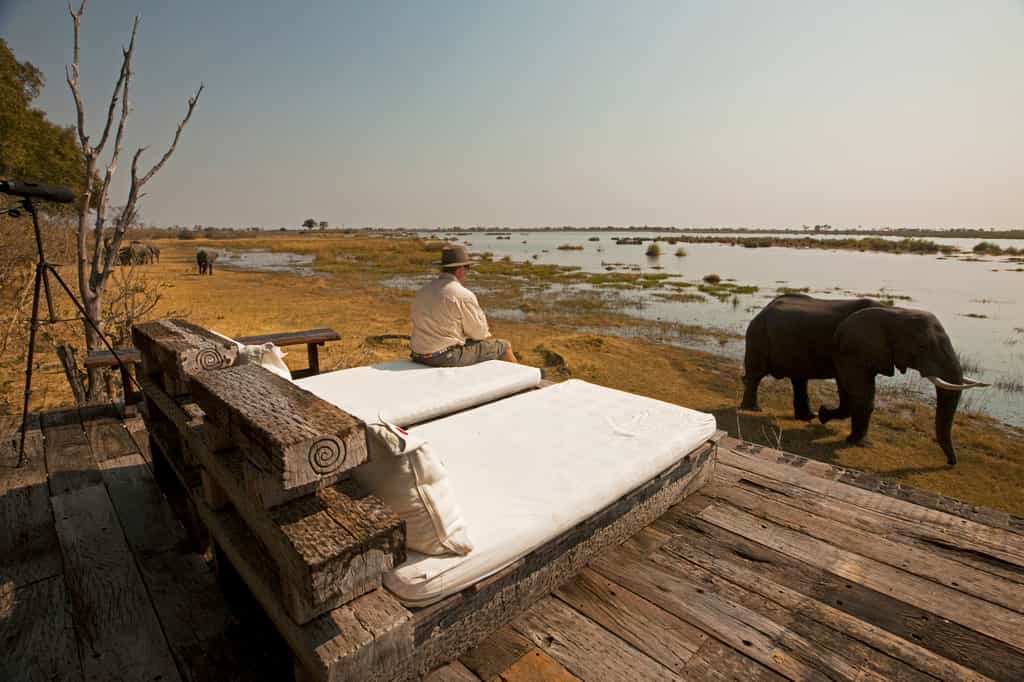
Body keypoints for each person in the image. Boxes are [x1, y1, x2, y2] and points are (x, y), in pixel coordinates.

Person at [410, 245, 518, 366]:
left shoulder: (423, 290)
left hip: (417, 355)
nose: (467, 272)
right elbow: (479, 334)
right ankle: (523, 376)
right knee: (503, 346)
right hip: (443, 357)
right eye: (467, 268)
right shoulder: (462, 295)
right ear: (460, 270)